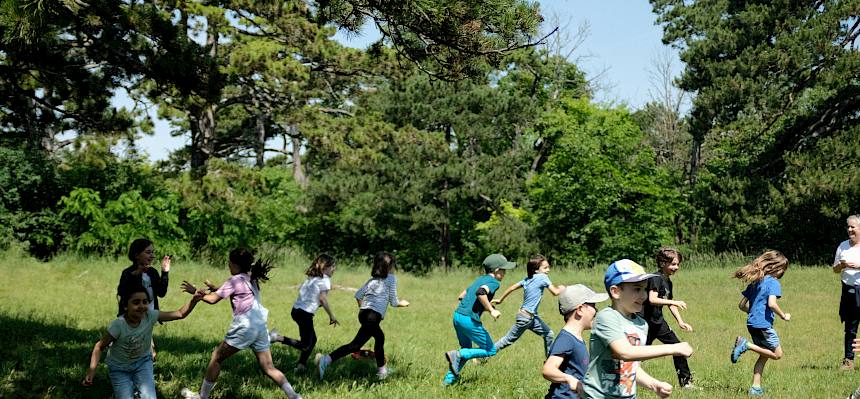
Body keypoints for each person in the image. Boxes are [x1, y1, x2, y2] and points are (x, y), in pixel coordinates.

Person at [180, 248, 302, 399]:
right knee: (269, 367)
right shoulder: (252, 279)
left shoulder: (233, 280)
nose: (228, 266)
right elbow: (236, 291)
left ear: (235, 264)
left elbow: (212, 300)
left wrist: (195, 291)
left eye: (229, 263)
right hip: (260, 327)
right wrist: (216, 288)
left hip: (245, 327)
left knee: (216, 358)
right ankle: (294, 396)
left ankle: (201, 396)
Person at [582, 259, 693, 399]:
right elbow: (625, 352)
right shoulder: (606, 317)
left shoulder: (641, 324)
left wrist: (653, 384)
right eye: (637, 289)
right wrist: (673, 348)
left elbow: (630, 366)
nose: (644, 295)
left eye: (645, 289)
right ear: (616, 292)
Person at [83, 282, 203, 399]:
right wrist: (91, 371)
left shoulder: (150, 316)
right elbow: (99, 347)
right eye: (136, 302)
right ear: (125, 305)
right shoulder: (118, 325)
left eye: (145, 302)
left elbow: (179, 313)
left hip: (142, 362)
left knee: (149, 396)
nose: (141, 306)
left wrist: (193, 301)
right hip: (119, 368)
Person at [316, 251, 409, 380]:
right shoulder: (391, 279)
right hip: (372, 317)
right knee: (368, 341)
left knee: (367, 342)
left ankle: (381, 371)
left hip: (364, 314)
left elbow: (358, 295)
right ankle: (381, 371)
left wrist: (364, 308)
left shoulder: (371, 281)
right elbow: (393, 302)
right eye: (393, 265)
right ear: (388, 267)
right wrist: (402, 303)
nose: (394, 268)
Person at [442, 253, 516, 386]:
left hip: (458, 316)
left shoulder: (480, 279)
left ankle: (448, 381)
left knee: (466, 350)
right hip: (469, 320)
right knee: (490, 350)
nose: (505, 273)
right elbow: (481, 293)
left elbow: (462, 296)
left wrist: (486, 305)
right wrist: (491, 310)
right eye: (504, 270)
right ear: (497, 270)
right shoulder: (494, 282)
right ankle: (456, 354)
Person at [729, 250, 791, 397]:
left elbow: (742, 305)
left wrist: (754, 312)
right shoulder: (774, 283)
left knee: (764, 355)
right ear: (775, 267)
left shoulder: (756, 281)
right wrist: (783, 315)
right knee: (777, 355)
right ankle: (745, 345)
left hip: (752, 324)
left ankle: (755, 388)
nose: (783, 272)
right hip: (763, 326)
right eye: (783, 269)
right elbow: (772, 304)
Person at [270, 254, 339, 372]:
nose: (334, 269)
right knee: (306, 344)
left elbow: (312, 297)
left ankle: (301, 365)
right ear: (325, 267)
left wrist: (318, 304)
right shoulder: (326, 280)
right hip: (304, 314)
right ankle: (276, 337)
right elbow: (322, 299)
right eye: (332, 266)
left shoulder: (312, 277)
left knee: (312, 340)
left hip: (296, 311)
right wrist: (332, 315)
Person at [640, 247, 695, 388]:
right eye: (673, 264)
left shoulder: (668, 281)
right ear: (663, 263)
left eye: (678, 264)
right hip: (645, 323)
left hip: (658, 323)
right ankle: (622, 376)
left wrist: (681, 322)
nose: (676, 267)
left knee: (678, 348)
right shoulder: (655, 278)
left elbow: (670, 303)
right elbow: (652, 299)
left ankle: (686, 383)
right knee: (637, 355)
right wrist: (673, 301)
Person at [542, 284, 609, 399]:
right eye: (593, 305)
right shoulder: (566, 339)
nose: (596, 310)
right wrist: (569, 379)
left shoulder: (575, 338)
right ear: (580, 310)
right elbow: (548, 369)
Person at [492, 254, 564, 357]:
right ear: (536, 270)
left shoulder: (527, 279)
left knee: (549, 334)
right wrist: (562, 288)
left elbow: (512, 288)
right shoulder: (543, 277)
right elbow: (555, 292)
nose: (548, 270)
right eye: (545, 268)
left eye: (548, 267)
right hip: (526, 318)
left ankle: (549, 363)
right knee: (507, 340)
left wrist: (500, 299)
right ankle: (482, 356)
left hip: (530, 317)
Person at [117, 238, 171, 359]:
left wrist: (165, 272)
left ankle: (146, 358)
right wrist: (136, 274)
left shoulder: (152, 272)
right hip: (132, 314)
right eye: (148, 252)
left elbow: (161, 292)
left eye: (153, 252)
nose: (152, 256)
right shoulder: (128, 272)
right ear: (137, 255)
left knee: (143, 343)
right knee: (132, 342)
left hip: (149, 313)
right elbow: (121, 291)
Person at [834, 214, 860, 371]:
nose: (849, 229)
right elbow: (835, 269)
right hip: (849, 290)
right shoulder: (843, 246)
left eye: (853, 227)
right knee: (850, 326)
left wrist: (858, 266)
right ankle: (848, 360)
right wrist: (842, 266)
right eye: (848, 227)